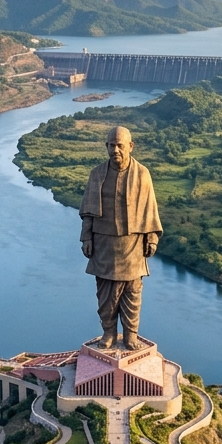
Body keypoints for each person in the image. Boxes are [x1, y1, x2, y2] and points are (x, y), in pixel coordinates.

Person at [79, 126, 162, 350]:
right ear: (106, 146)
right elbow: (87, 211)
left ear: (130, 146)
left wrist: (151, 237)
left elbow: (150, 209)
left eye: (120, 145)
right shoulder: (97, 174)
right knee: (105, 294)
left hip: (133, 243)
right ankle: (108, 332)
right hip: (104, 243)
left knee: (132, 293)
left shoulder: (142, 174)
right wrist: (86, 237)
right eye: (111, 145)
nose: (115, 149)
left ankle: (130, 335)